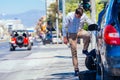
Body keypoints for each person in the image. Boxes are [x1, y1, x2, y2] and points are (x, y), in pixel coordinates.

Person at [62, 7, 93, 76]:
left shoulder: (83, 16)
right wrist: (64, 37)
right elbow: (64, 26)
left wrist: (94, 25)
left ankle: (85, 50)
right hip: (71, 34)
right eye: (78, 16)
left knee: (88, 35)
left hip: (79, 31)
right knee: (74, 51)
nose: (79, 17)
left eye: (80, 16)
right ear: (75, 13)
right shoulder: (69, 16)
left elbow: (89, 21)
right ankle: (76, 69)